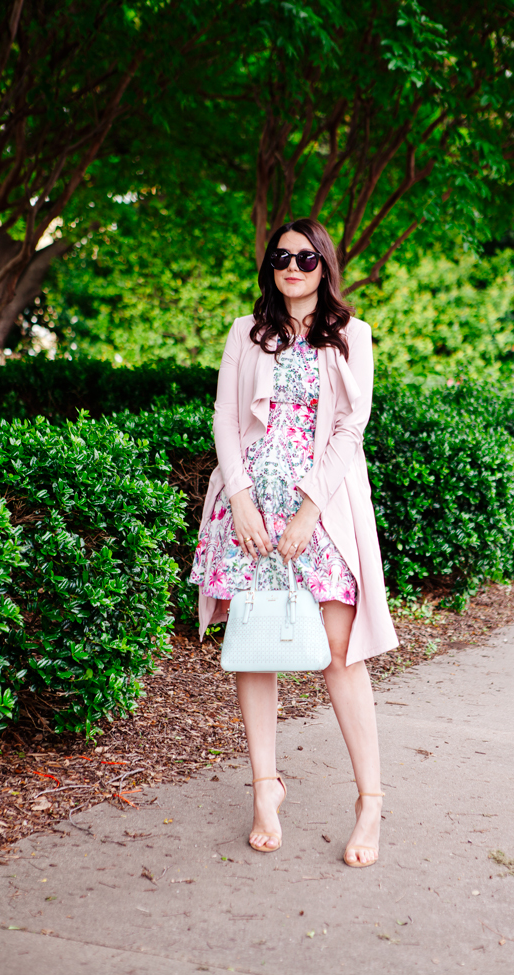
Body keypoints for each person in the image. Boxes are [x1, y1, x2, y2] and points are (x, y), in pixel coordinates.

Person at [190, 218, 397, 867]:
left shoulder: (352, 335)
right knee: (255, 644)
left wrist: (307, 510)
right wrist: (243, 499)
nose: (292, 265)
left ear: (324, 266)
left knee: (339, 653)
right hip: (249, 515)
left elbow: (348, 426)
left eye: (306, 257)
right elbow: (226, 416)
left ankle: (369, 800)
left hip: (322, 514)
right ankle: (265, 788)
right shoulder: (246, 333)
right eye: (282, 256)